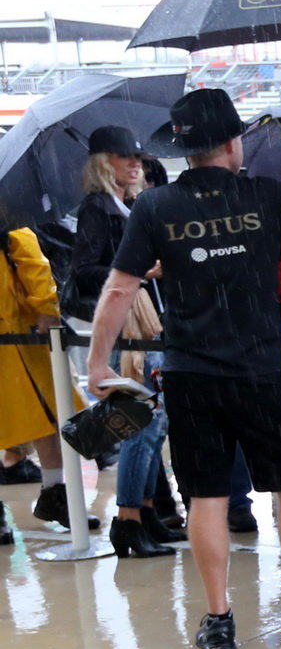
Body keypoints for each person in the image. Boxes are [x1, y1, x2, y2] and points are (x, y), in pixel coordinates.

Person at [85, 88, 281, 649]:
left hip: (190, 375)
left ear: (187, 148)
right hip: (262, 371)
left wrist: (98, 363)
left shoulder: (154, 206)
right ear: (228, 142)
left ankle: (218, 620)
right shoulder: (266, 196)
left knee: (206, 496)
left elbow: (120, 287)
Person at [65, 125, 178, 555]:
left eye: (139, 158)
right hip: (124, 327)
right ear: (103, 162)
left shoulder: (125, 205)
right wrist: (139, 270)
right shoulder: (98, 208)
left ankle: (144, 512)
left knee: (153, 422)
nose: (137, 163)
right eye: (125, 156)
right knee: (141, 424)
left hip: (141, 324)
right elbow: (85, 270)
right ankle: (129, 518)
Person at [1, 226, 78, 546]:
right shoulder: (12, 223)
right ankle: (54, 493)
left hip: (17, 339)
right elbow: (37, 268)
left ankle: (55, 494)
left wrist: (47, 310)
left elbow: (35, 266)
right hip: (17, 338)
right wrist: (48, 311)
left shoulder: (12, 226)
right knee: (44, 418)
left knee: (43, 417)